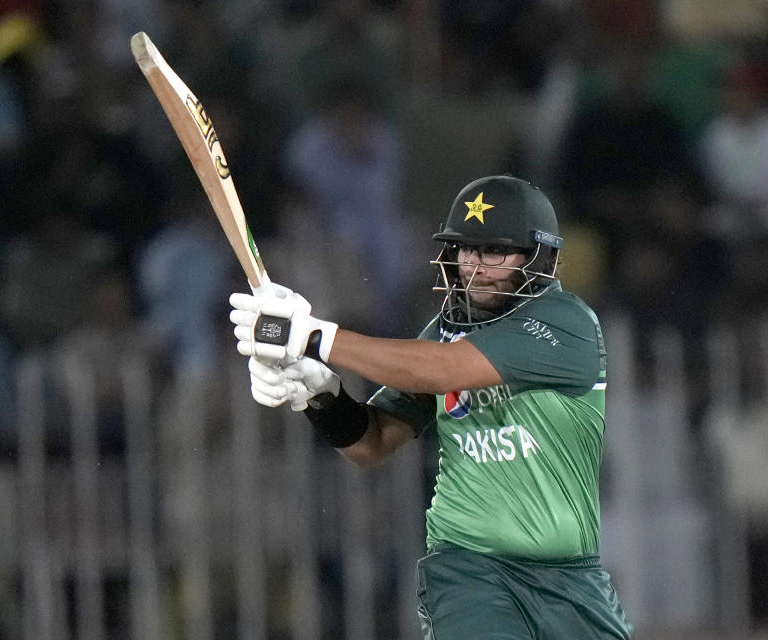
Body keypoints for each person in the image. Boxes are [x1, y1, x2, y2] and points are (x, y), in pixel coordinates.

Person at [228, 175, 634, 639]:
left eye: (493, 253)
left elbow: (443, 371)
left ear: (536, 260)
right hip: (471, 573)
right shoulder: (443, 332)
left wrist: (310, 336)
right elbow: (372, 443)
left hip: (571, 579)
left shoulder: (567, 325)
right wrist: (321, 396)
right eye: (464, 250)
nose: (473, 267)